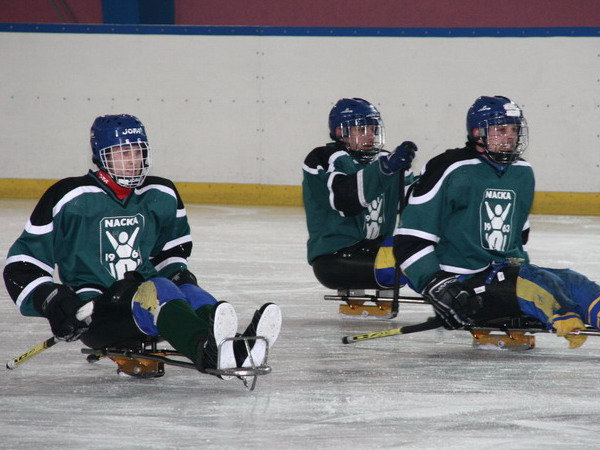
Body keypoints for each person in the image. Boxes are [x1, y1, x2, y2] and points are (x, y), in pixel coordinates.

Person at [3, 114, 282, 379]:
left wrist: (178, 275)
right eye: (123, 153)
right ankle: (208, 351)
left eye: (138, 152)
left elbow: (169, 253)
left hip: (154, 308)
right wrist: (55, 302)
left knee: (185, 289)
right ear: (101, 155)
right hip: (98, 313)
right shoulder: (69, 197)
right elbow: (23, 265)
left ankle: (233, 347)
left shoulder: (160, 193)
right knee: (157, 289)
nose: (133, 161)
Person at [393, 95, 600, 348]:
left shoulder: (523, 171)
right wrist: (437, 285)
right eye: (501, 130)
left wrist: (518, 270)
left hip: (504, 273)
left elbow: (518, 236)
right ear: (478, 132)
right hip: (462, 283)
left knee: (571, 280)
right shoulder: (449, 167)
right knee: (534, 285)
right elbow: (410, 239)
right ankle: (565, 318)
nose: (510, 136)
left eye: (514, 130)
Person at [302, 98, 417, 290]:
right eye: (361, 130)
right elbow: (345, 200)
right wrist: (385, 170)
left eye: (372, 129)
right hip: (335, 259)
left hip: (377, 251)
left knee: (430, 254)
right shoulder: (324, 159)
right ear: (340, 132)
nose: (370, 135)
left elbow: (414, 203)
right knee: (408, 264)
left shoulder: (384, 159)